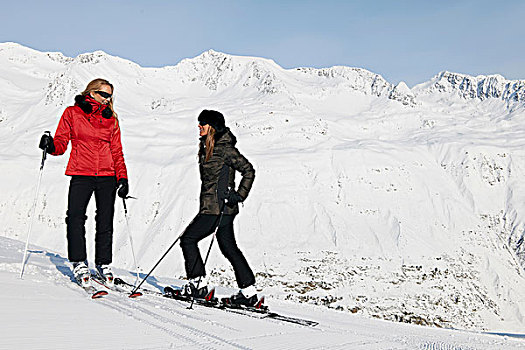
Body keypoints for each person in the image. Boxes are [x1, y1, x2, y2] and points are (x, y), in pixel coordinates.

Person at [38, 78, 129, 287]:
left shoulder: (111, 120)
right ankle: (79, 261)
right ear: (92, 93)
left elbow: (117, 151)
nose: (107, 100)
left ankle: (103, 263)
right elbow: (61, 143)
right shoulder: (73, 113)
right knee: (75, 218)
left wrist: (123, 177)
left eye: (110, 96)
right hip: (81, 173)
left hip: (107, 175)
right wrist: (50, 146)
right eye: (104, 95)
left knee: (105, 220)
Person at [179, 109, 258, 306]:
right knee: (229, 247)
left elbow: (248, 170)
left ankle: (198, 285)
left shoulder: (224, 149)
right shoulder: (208, 146)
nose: (199, 126)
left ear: (212, 127)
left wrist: (239, 195)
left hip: (216, 208)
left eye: (202, 124)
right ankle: (249, 293)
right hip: (222, 208)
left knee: (188, 240)